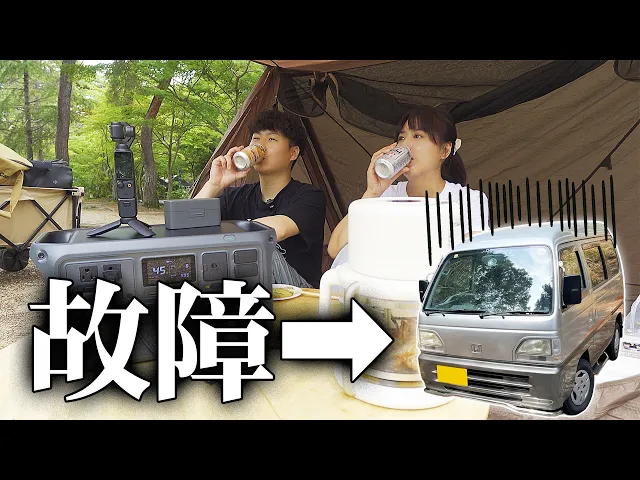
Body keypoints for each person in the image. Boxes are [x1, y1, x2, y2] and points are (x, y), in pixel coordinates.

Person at [328, 105, 489, 268]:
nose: (405, 145)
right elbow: (336, 249)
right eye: (401, 138)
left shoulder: (467, 200)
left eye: (417, 136)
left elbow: (472, 260)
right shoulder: (387, 195)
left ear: (445, 151)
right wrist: (372, 192)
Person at [195, 109, 326, 289]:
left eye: (271, 139)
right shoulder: (235, 196)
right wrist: (214, 185)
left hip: (298, 291)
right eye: (256, 139)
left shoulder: (309, 196)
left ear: (293, 153)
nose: (260, 146)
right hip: (248, 289)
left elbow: (274, 231)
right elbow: (185, 227)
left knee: (259, 248)